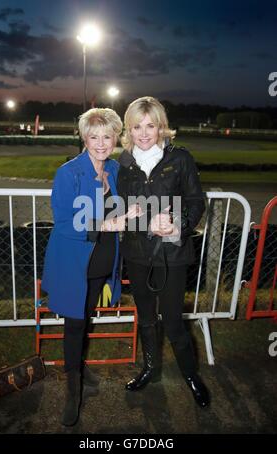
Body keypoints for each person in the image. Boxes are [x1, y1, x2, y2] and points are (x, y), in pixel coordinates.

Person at [117, 96, 210, 408]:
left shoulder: (180, 158)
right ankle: (150, 369)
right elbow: (120, 209)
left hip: (172, 254)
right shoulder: (123, 163)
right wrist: (142, 221)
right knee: (145, 318)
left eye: (151, 125)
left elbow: (197, 202)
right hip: (137, 253)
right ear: (129, 129)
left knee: (172, 320)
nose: (144, 133)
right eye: (137, 126)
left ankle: (190, 375)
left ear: (161, 127)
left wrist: (177, 223)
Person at [42, 108, 132, 426]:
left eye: (107, 136)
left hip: (103, 263)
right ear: (84, 137)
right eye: (93, 136)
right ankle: (72, 391)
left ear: (115, 138)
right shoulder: (69, 172)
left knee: (87, 317)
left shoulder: (117, 170)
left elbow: (132, 203)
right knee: (75, 324)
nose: (100, 143)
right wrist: (111, 224)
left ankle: (80, 367)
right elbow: (65, 224)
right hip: (74, 264)